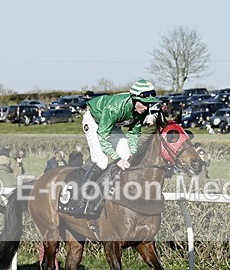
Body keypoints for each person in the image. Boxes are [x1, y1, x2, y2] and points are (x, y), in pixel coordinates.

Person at [65, 79, 160, 215]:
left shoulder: (142, 111)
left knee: (128, 157)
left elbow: (133, 134)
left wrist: (132, 152)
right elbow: (102, 135)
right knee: (102, 161)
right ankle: (80, 199)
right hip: (94, 122)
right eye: (144, 104)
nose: (146, 108)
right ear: (134, 99)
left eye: (149, 104)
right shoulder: (115, 108)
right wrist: (116, 158)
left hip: (111, 124)